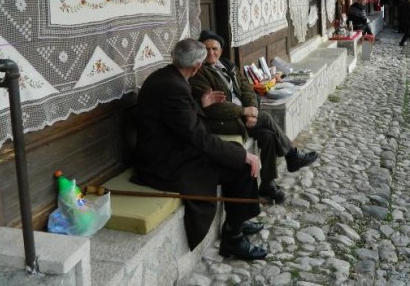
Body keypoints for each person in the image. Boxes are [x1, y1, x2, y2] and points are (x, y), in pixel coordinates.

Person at [133, 38, 268, 260]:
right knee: (242, 166)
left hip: (173, 148)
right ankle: (233, 238)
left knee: (235, 152)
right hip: (164, 163)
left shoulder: (167, 76)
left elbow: (184, 121)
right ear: (197, 66)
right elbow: (199, 138)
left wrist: (201, 104)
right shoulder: (173, 87)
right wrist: (244, 156)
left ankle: (237, 220)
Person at [190, 30, 319, 205]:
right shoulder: (199, 73)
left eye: (214, 49)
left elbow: (247, 89)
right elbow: (213, 108)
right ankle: (292, 155)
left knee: (269, 136)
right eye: (206, 49)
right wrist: (245, 112)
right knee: (265, 118)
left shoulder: (228, 66)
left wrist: (252, 110)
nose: (211, 53)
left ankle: (267, 184)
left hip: (240, 115)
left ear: (221, 51)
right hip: (220, 121)